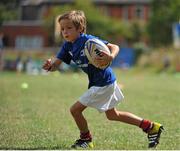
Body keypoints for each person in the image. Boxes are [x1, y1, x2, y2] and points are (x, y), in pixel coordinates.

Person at [42, 10, 163, 149]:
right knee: (112, 115)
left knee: (75, 110)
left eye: (69, 28)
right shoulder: (67, 46)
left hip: (103, 83)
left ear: (80, 28)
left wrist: (110, 56)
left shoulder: (89, 41)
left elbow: (115, 46)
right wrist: (50, 66)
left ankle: (85, 139)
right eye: (62, 29)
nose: (65, 32)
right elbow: (56, 65)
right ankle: (151, 127)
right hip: (101, 82)